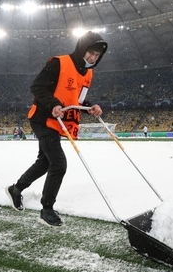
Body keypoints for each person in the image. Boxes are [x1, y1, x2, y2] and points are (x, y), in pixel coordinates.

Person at [6, 31, 108, 227]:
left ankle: (16, 188)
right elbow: (37, 87)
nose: (92, 58)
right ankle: (47, 208)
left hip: (59, 121)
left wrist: (90, 107)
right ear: (82, 49)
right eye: (90, 53)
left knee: (45, 162)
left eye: (97, 56)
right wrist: (53, 104)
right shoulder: (59, 63)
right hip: (43, 118)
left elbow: (76, 100)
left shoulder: (88, 73)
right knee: (59, 163)